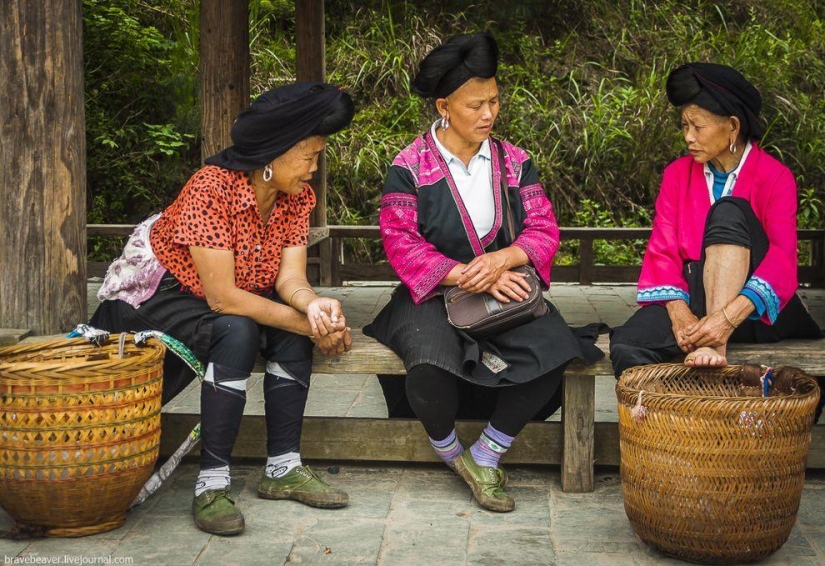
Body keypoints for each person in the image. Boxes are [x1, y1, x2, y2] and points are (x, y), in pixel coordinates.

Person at [90, 83, 355, 536]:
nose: (314, 168)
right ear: (272, 154)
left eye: (318, 156)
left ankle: (283, 467)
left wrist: (314, 308)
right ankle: (212, 483)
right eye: (308, 156)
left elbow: (289, 279)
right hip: (162, 294)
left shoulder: (295, 198)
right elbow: (222, 298)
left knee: (287, 329)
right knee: (237, 330)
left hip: (232, 293)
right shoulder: (209, 188)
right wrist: (311, 326)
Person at [364, 32, 603, 513]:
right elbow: (400, 242)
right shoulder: (409, 166)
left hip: (504, 283)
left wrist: (503, 261)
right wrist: (468, 274)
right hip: (430, 293)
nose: (489, 114)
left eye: (494, 100)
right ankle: (454, 456)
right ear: (443, 106)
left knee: (558, 350)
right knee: (428, 366)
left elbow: (543, 228)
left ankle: (488, 451)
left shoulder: (515, 162)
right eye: (475, 105)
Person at [610, 63, 822, 379]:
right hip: (694, 298)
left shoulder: (776, 177)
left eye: (698, 126)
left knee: (728, 210)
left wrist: (722, 321)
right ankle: (685, 418)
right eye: (684, 126)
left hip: (754, 310)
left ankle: (715, 346)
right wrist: (679, 314)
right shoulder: (676, 175)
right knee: (629, 344)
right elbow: (663, 251)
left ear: (733, 127)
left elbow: (781, 259)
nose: (688, 137)